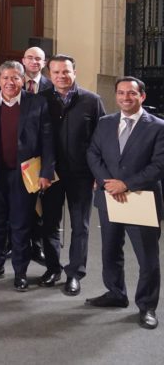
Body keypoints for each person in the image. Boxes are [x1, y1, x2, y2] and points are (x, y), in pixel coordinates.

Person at [86, 77, 164, 330]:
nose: (125, 98)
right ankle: (116, 294)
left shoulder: (158, 126)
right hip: (109, 198)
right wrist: (106, 182)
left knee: (147, 258)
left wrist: (126, 184)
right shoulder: (106, 122)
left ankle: (147, 306)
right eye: (120, 93)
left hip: (141, 199)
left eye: (131, 94)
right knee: (110, 251)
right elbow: (93, 153)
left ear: (142, 96)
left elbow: (159, 165)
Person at [0, 61, 54, 292]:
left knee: (20, 226)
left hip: (24, 177)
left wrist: (47, 172)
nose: (10, 82)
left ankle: (20, 272)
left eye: (15, 78)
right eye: (5, 78)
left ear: (22, 80)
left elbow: (47, 141)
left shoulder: (36, 102)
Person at [37, 54, 105, 295]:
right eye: (55, 72)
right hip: (50, 174)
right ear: (49, 75)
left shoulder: (92, 101)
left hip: (82, 175)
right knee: (50, 223)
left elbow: (102, 140)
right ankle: (53, 268)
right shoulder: (41, 100)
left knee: (81, 226)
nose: (61, 76)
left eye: (65, 72)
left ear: (74, 72)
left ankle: (75, 273)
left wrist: (99, 173)